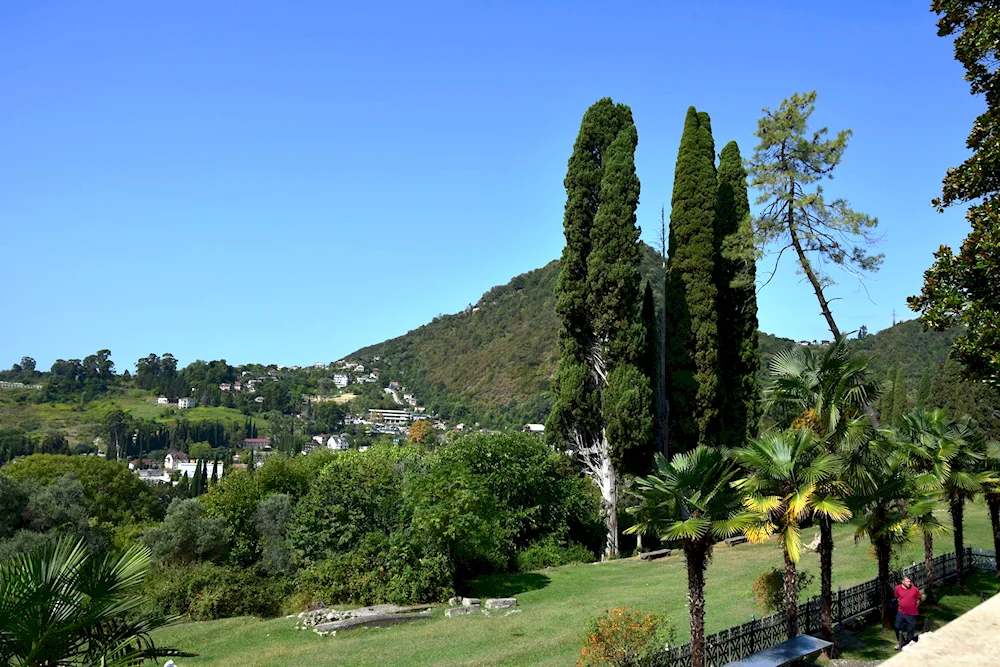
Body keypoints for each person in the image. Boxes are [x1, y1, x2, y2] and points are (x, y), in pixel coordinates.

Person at [894, 576, 922, 649]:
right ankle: (902, 641)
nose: (909, 583)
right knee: (897, 627)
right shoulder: (897, 588)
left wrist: (915, 607)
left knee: (910, 629)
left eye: (910, 581)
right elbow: (897, 596)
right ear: (903, 582)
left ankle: (909, 643)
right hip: (901, 612)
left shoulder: (915, 589)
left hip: (912, 613)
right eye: (907, 581)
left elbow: (918, 599)